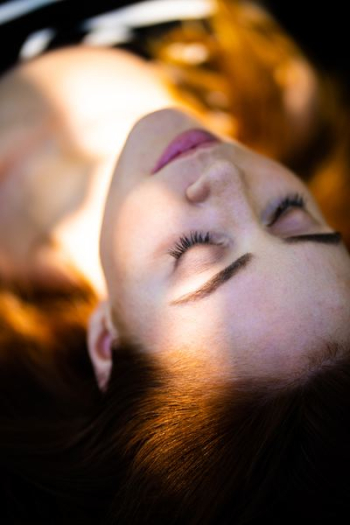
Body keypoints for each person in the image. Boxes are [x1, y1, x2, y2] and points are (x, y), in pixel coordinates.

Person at [1, 2, 350, 524]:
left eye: (198, 251)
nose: (228, 179)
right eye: (289, 214)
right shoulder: (268, 83)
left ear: (107, 342)